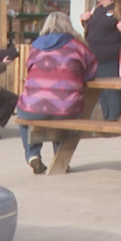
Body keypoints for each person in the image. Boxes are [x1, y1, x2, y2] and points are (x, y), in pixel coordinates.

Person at [17, 12, 97, 174]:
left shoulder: (36, 46)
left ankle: (32, 154)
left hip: (34, 106)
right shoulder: (79, 46)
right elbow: (91, 71)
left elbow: (29, 67)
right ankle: (60, 159)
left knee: (23, 116)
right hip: (66, 106)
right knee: (64, 113)